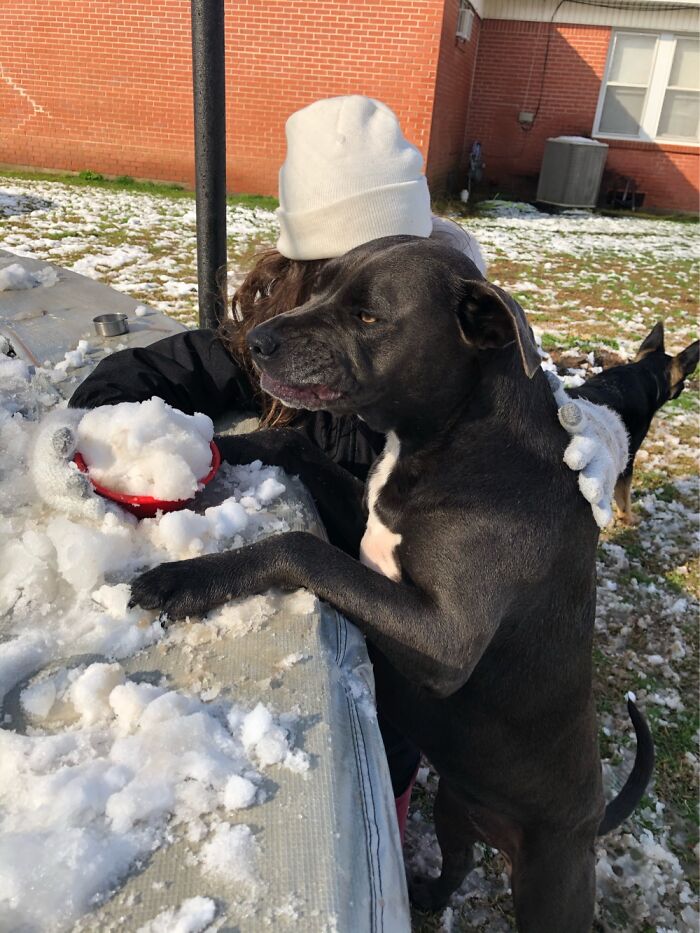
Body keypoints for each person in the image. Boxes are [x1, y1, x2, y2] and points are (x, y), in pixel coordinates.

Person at [31, 95, 627, 840]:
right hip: (372, 644)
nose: (331, 312)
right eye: (332, 281)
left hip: (424, 677)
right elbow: (164, 367)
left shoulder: (457, 322)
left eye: (369, 308)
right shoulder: (286, 328)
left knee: (389, 773)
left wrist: (601, 431)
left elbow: (543, 396)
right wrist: (89, 431)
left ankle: (394, 824)